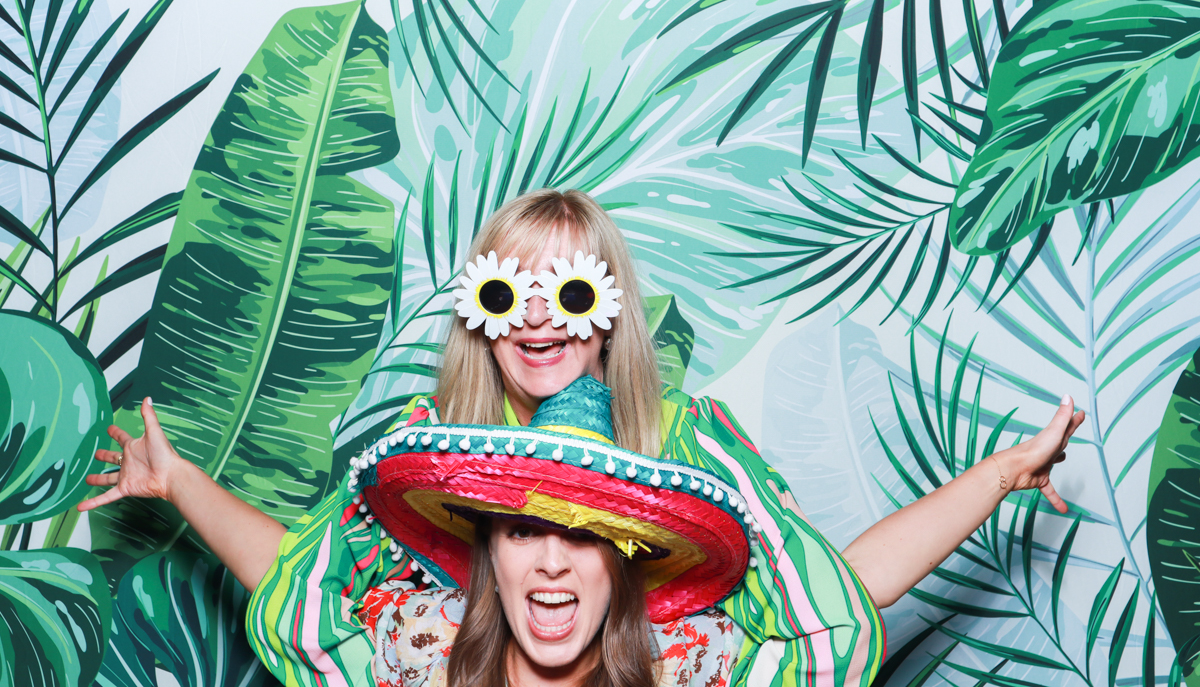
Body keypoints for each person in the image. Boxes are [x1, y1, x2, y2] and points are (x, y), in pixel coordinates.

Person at [80, 189, 1086, 687]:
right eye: (507, 290)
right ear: (479, 310)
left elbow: (826, 591)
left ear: (607, 311)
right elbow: (308, 583)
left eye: (567, 290)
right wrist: (181, 485)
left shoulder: (691, 441)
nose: (538, 317)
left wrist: (995, 473)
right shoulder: (429, 449)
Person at [352, 374, 750, 687]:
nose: (553, 563)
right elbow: (298, 599)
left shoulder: (698, 658)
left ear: (623, 558)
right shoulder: (420, 637)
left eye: (584, 535)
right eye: (523, 531)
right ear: (489, 550)